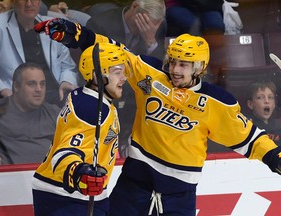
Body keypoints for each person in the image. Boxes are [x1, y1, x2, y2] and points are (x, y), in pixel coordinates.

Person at [35, 18, 281, 215]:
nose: (174, 69)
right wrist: (76, 35)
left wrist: (273, 156)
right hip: (134, 186)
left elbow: (248, 137)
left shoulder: (216, 102)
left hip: (178, 197)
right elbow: (114, 53)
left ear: (199, 67)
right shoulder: (151, 75)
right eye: (173, 62)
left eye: (183, 65)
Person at [32, 43, 128, 215]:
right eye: (117, 72)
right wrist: (79, 172)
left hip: (68, 194)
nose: (124, 78)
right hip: (66, 197)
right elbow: (63, 154)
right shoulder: (92, 109)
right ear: (96, 76)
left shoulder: (87, 97)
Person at [86, 0, 167, 157]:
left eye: (153, 25)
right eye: (144, 22)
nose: (148, 28)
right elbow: (95, 69)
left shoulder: (156, 28)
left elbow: (159, 71)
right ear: (135, 7)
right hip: (109, 88)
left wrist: (151, 42)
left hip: (140, 91)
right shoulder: (100, 25)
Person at [0, 0, 78, 107]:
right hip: (17, 98)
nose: (29, 4)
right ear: (13, 2)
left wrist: (66, 81)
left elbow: (68, 66)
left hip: (57, 95)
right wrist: (3, 90)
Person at [0, 62, 60, 164]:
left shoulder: (55, 114)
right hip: (8, 177)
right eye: (31, 84)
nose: (39, 89)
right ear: (16, 86)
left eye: (42, 84)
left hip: (49, 176)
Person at [246, 81, 281, 146]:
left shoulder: (278, 125)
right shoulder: (249, 127)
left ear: (274, 104)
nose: (267, 101)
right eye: (260, 97)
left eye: (270, 97)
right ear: (250, 104)